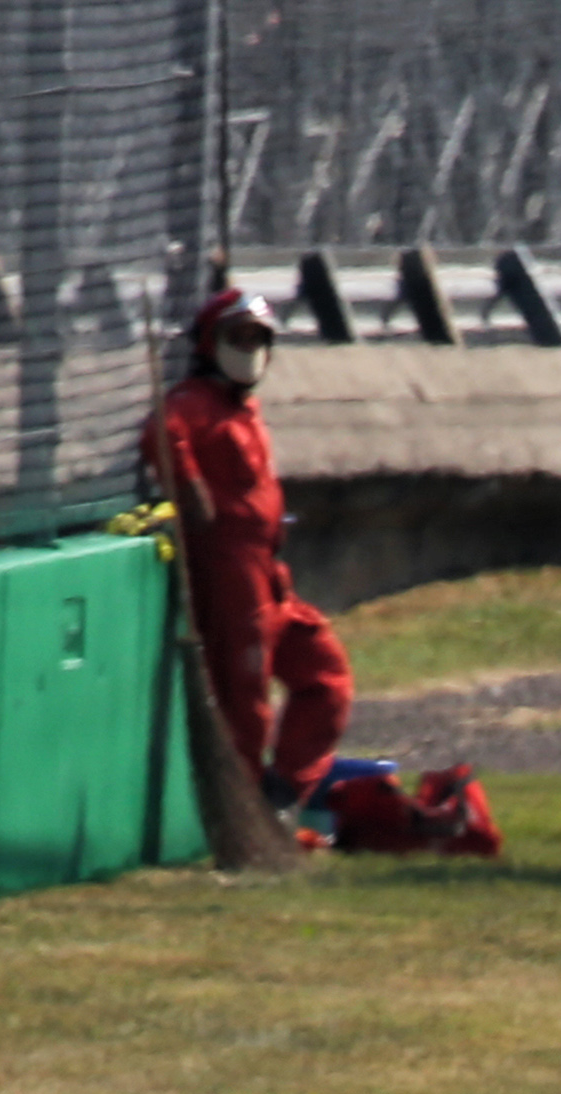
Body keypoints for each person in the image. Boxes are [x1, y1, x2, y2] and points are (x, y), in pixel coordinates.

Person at [140, 282, 350, 812]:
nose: (250, 348)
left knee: (326, 677)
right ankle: (241, 808)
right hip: (229, 571)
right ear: (211, 342)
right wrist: (189, 489)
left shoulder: (245, 410)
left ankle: (282, 791)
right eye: (238, 336)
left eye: (259, 338)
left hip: (270, 571)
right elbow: (161, 435)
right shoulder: (192, 403)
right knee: (245, 699)